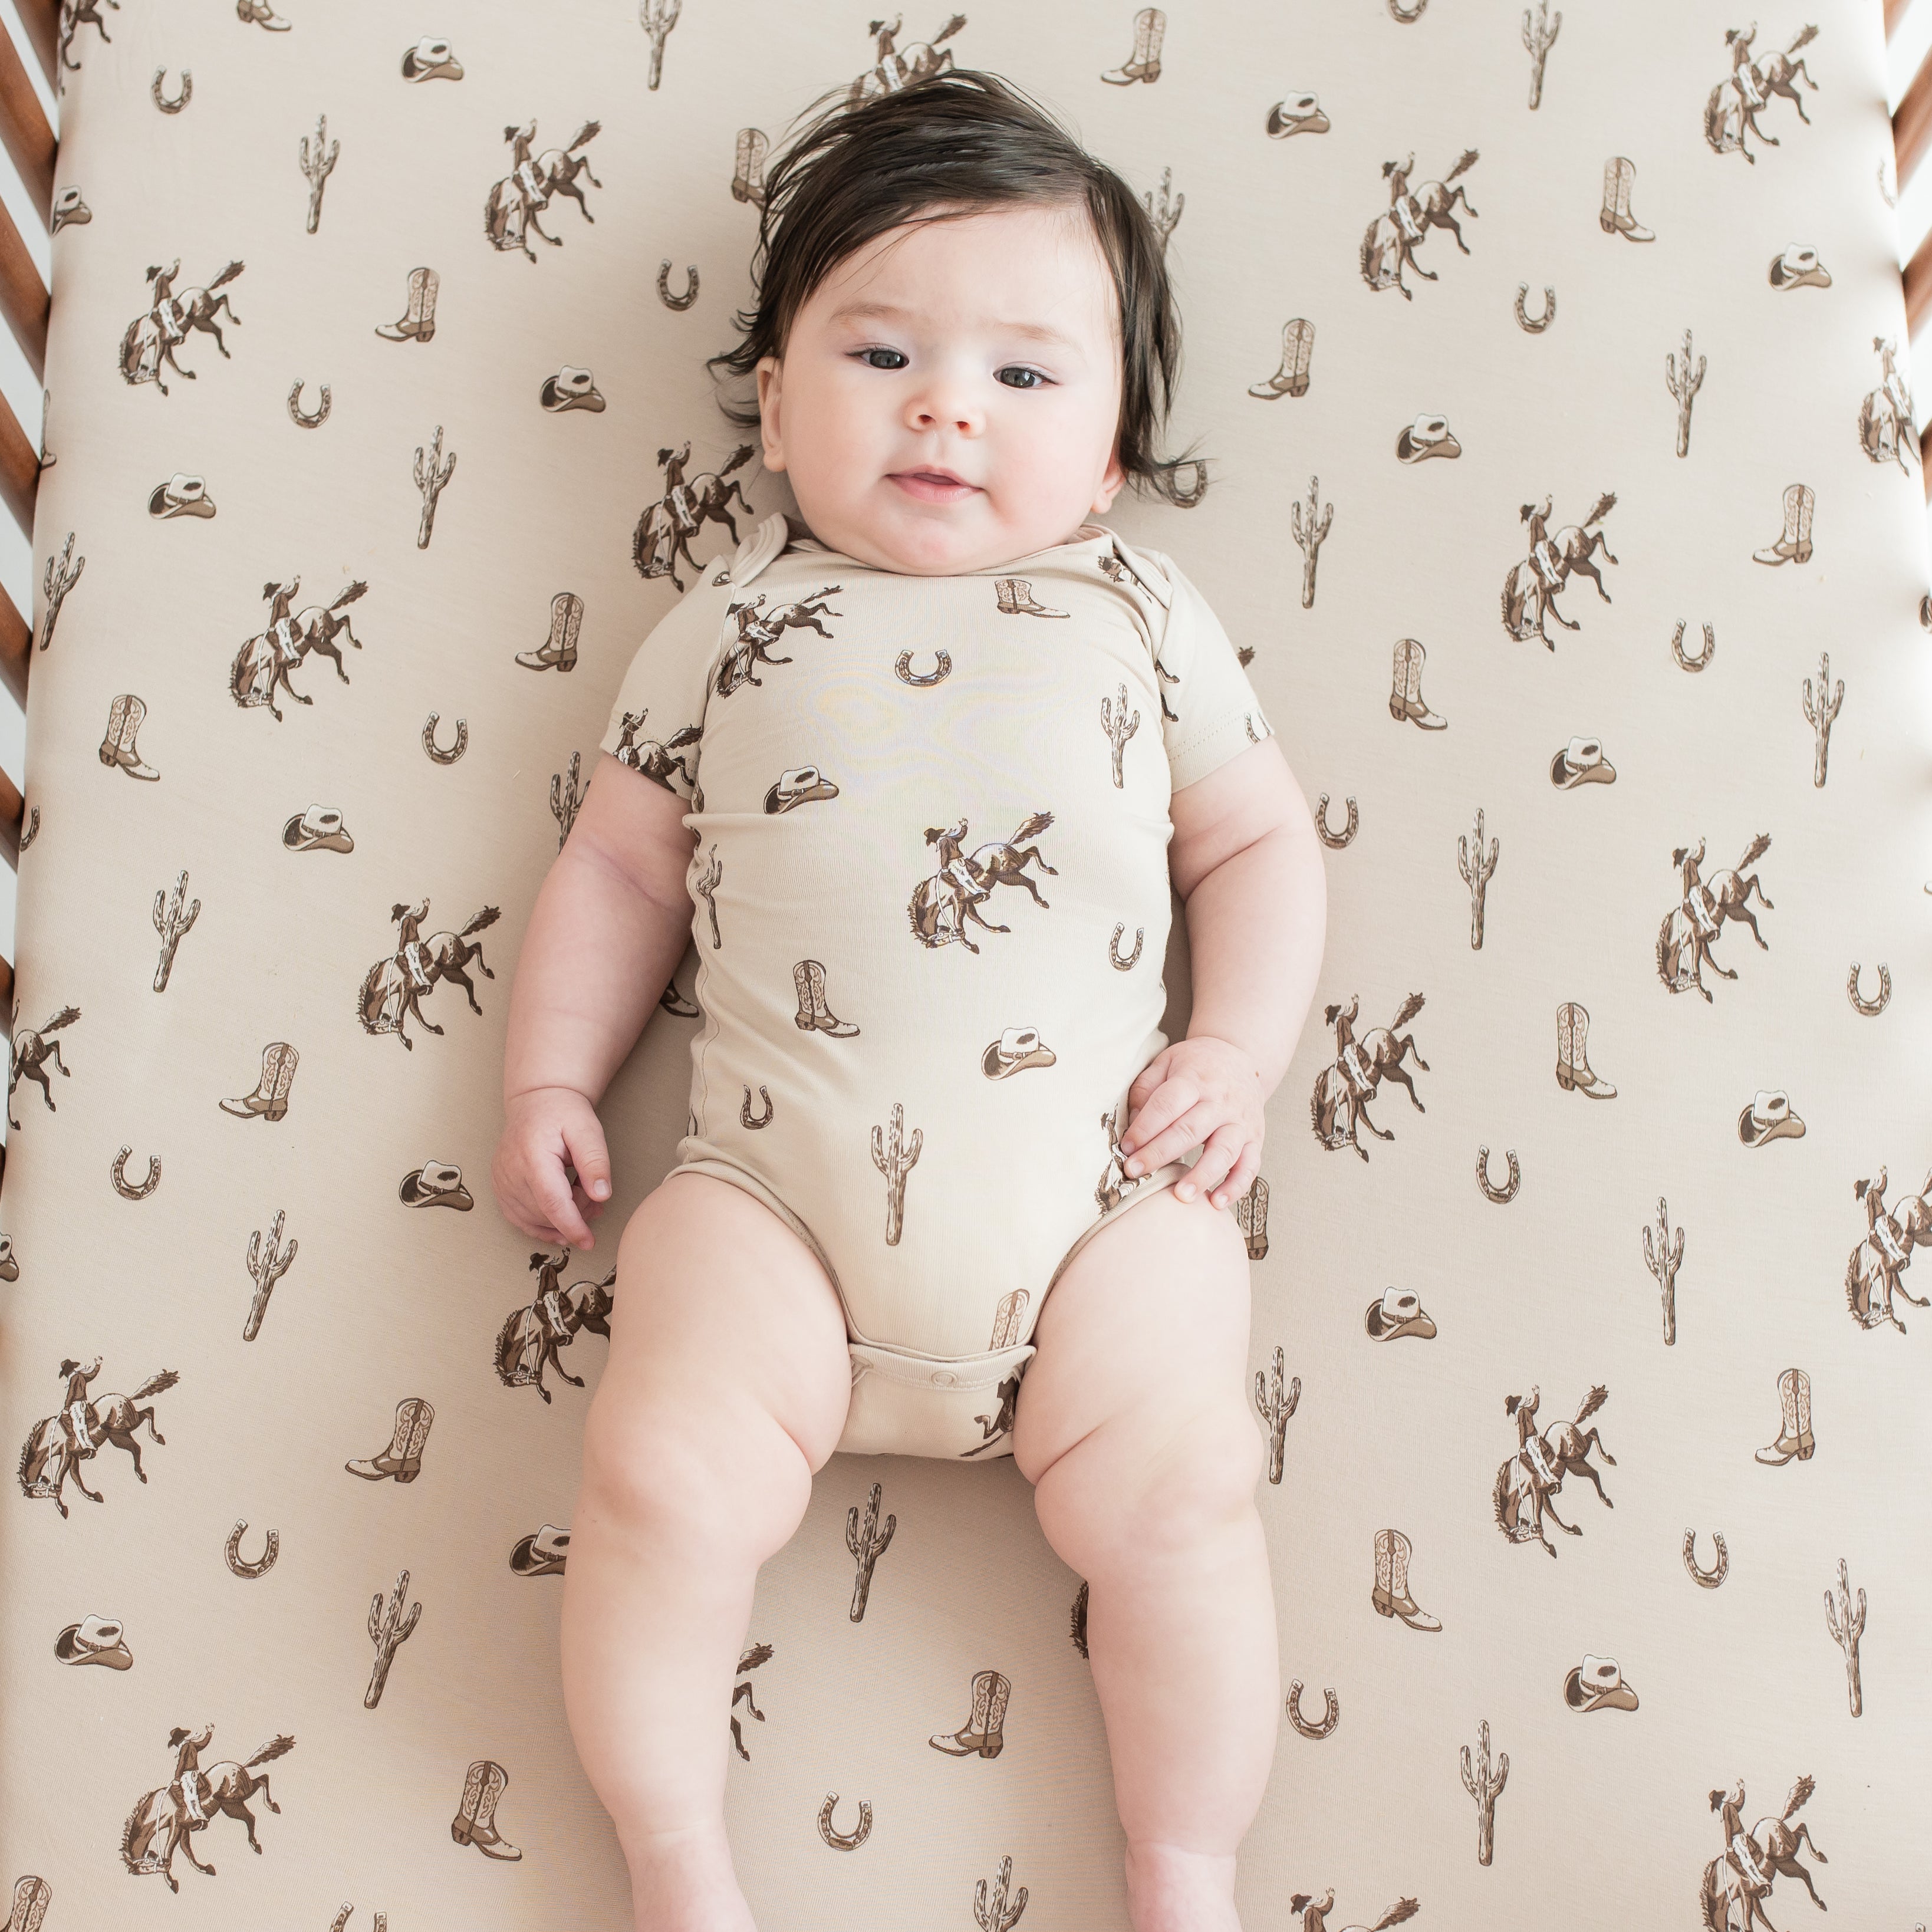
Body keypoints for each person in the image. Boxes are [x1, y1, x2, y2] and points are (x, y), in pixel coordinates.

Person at [492, 68, 1327, 1932]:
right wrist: (554, 1072)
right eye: (881, 352)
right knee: (652, 1472)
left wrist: (1234, 1048)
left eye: (1030, 375)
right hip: (775, 1211)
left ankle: (1184, 1869)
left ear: (1110, 452)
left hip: (1101, 1207)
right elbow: (623, 868)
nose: (952, 403)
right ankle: (674, 1861)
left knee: (1190, 1491)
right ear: (776, 408)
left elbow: (1260, 847)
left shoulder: (1137, 610)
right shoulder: (726, 621)